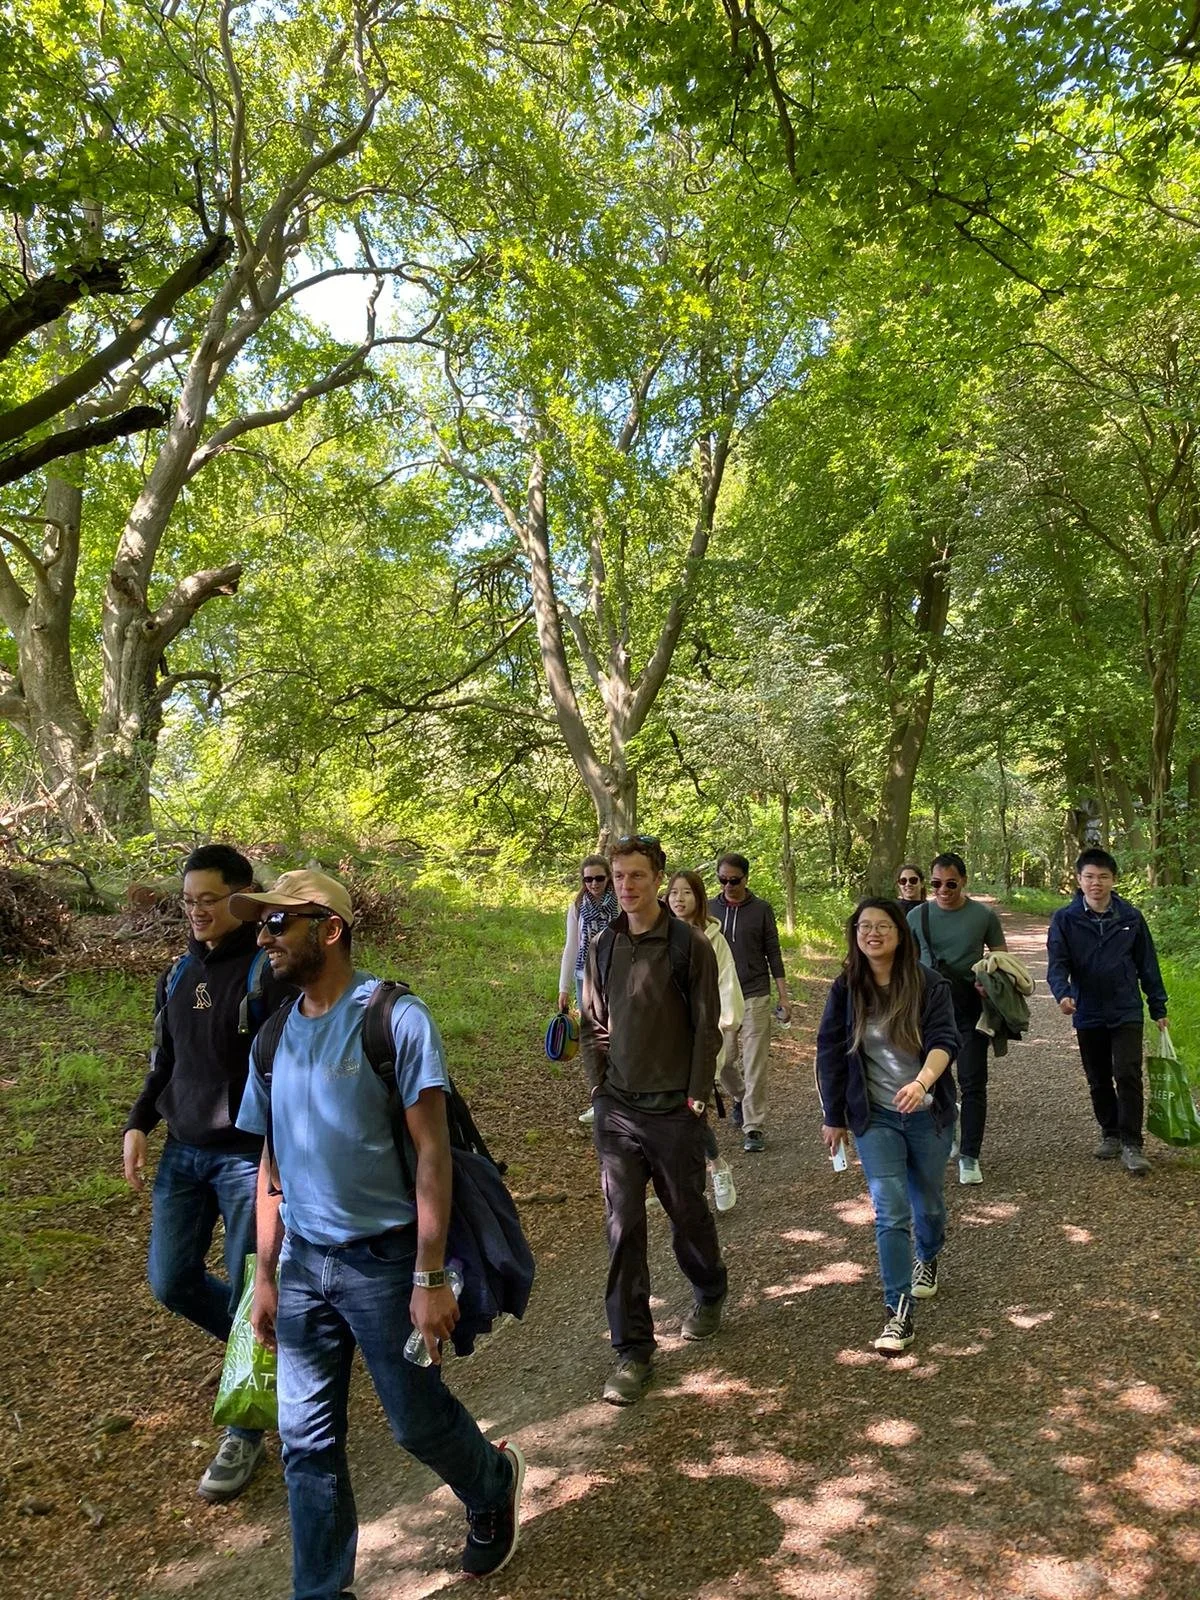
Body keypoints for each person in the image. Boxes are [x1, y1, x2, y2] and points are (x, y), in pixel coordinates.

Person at [232, 871, 524, 1593]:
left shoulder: (393, 1018)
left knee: (417, 1425)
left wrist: (428, 1277)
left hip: (388, 1265)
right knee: (306, 1446)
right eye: (261, 925)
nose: (263, 938)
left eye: (279, 924)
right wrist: (263, 1277)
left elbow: (431, 1153)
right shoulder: (271, 1036)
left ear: (328, 930)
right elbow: (270, 1161)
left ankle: (491, 1484)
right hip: (302, 1268)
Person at [122, 843, 293, 1503]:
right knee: (171, 1279)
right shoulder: (175, 974)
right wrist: (139, 1123)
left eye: (208, 900)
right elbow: (163, 1058)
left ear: (242, 899)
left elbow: (290, 1066)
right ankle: (269, 1351)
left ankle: (245, 1429)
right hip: (184, 1155)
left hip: (249, 1156)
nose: (195, 912)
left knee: (251, 1289)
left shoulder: (265, 972)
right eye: (188, 901)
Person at [581, 835, 728, 1406]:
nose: (625, 886)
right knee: (623, 1229)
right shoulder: (602, 945)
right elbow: (594, 1022)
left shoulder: (690, 946)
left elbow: (707, 1027)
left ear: (658, 878)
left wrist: (694, 1097)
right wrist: (598, 1090)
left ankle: (709, 1288)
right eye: (618, 876)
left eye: (637, 875)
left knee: (686, 1214)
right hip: (618, 1111)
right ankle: (634, 1351)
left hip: (674, 1112)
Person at [817, 898, 959, 1355]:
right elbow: (830, 1053)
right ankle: (899, 1312)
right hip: (874, 1116)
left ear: (900, 933)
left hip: (927, 1113)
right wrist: (834, 1116)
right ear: (855, 934)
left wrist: (922, 1082)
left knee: (929, 1203)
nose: (872, 933)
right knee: (890, 1208)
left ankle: (929, 1255)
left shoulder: (928, 984)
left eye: (882, 926)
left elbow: (944, 1041)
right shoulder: (847, 988)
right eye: (863, 926)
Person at [1046, 848, 1168, 1176]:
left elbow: (1148, 965)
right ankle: (1110, 1132)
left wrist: (1158, 1005)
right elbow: (1057, 964)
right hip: (1088, 1010)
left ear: (1113, 880)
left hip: (1125, 1007)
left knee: (1128, 1072)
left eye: (1103, 877)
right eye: (1089, 876)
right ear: (1079, 880)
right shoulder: (1065, 919)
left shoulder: (1131, 918)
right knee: (1098, 1077)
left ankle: (1132, 1143)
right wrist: (1064, 993)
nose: (1096, 883)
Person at [907, 853, 1006, 1186]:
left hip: (970, 1009)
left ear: (964, 881)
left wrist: (989, 979)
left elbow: (1002, 960)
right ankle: (946, 1129)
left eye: (950, 883)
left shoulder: (983, 916)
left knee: (973, 1081)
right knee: (934, 1080)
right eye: (936, 884)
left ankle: (970, 1155)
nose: (943, 890)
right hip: (928, 1011)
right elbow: (902, 964)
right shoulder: (917, 916)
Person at [667, 869, 743, 1211]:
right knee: (673, 1112)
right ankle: (692, 1176)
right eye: (674, 893)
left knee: (692, 1111)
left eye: (686, 893)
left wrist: (725, 1027)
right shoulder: (658, 934)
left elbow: (727, 985)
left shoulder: (714, 938)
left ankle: (716, 1167)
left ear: (699, 898)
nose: (679, 899)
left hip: (704, 1037)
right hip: (666, 1039)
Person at [708, 852, 791, 1153]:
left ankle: (753, 1126)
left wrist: (783, 995)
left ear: (746, 878)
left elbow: (774, 953)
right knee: (724, 1060)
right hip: (721, 996)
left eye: (734, 880)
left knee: (753, 1062)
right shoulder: (709, 908)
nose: (728, 885)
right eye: (723, 880)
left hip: (755, 992)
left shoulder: (761, 910)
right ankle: (742, 1097)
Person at [557, 855, 617, 1126]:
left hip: (617, 975)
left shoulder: (620, 903)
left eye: (599, 878)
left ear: (609, 878)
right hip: (586, 977)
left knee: (617, 1035)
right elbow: (571, 946)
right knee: (593, 1039)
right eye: (588, 879)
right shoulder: (578, 905)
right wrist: (564, 987)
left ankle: (620, 1096)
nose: (593, 883)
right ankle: (600, 1098)